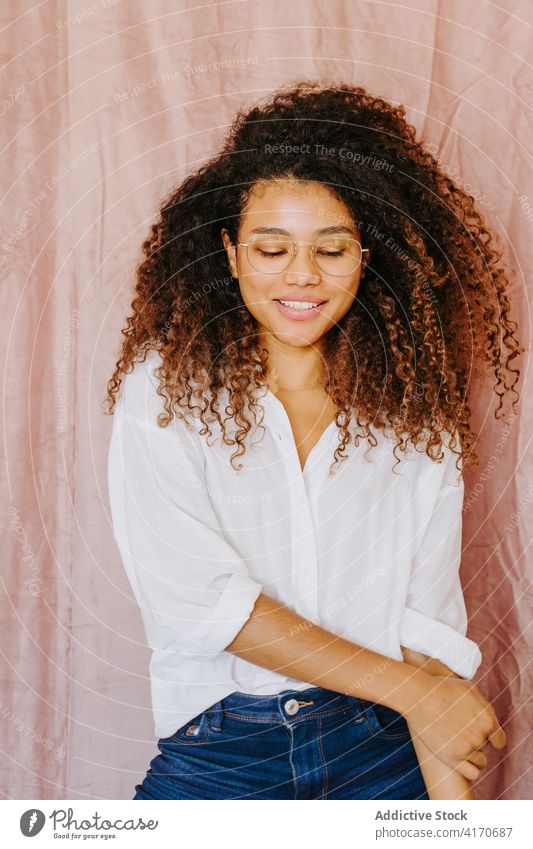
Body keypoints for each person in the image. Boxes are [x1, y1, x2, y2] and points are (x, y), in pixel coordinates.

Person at [105, 80, 521, 800]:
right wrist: (417, 694)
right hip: (224, 749)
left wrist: (449, 816)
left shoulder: (415, 413)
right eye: (271, 248)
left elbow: (426, 633)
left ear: (368, 256)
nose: (301, 275)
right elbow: (203, 602)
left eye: (331, 249)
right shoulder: (164, 391)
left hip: (380, 745)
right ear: (230, 253)